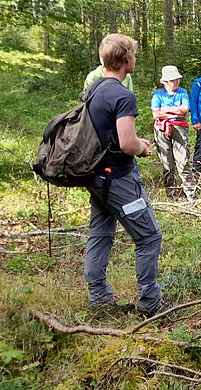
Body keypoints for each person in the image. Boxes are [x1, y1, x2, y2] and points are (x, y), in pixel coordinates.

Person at [85, 33, 163, 317]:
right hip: (118, 178)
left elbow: (109, 134)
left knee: (100, 233)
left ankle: (98, 297)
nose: (135, 58)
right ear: (126, 58)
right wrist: (142, 147)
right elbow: (128, 144)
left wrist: (133, 142)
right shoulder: (122, 94)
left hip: (95, 176)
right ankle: (150, 304)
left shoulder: (94, 89)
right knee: (149, 237)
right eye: (134, 54)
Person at [151, 65, 194, 200]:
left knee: (183, 160)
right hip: (162, 129)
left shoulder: (182, 92)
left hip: (180, 128)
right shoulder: (158, 94)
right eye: (172, 80)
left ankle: (190, 192)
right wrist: (175, 111)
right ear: (165, 81)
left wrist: (165, 111)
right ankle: (171, 192)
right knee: (167, 163)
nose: (176, 82)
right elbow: (155, 113)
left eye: (177, 79)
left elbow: (184, 110)